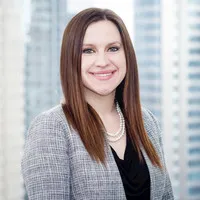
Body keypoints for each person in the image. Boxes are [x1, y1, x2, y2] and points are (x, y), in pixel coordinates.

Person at [21, 8, 174, 200]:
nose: (102, 61)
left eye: (113, 48)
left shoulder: (147, 121)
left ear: (127, 55)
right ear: (71, 60)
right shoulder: (51, 128)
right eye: (88, 51)